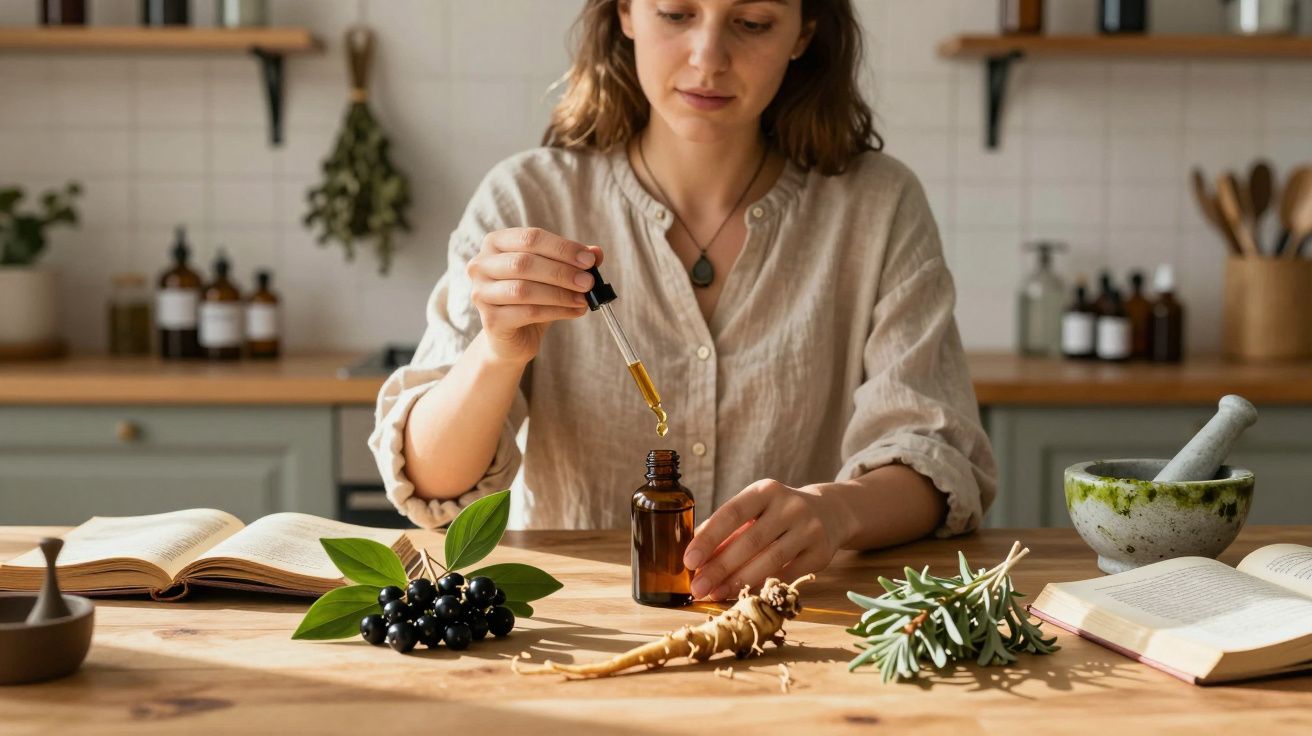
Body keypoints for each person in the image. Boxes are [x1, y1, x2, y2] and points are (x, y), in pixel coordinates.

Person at [370, 0, 996, 601]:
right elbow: (431, 484)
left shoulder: (880, 207)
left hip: (799, 626)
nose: (708, 58)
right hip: (581, 626)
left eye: (752, 22)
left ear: (803, 33)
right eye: (676, 14)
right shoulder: (525, 199)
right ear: (624, 13)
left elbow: (935, 459)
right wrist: (497, 353)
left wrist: (833, 513)